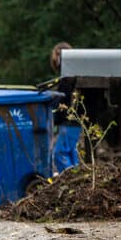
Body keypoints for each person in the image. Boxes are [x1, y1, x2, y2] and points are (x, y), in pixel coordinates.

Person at [50, 41, 82, 173]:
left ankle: (73, 181)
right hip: (75, 121)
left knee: (59, 154)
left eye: (58, 55)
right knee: (71, 153)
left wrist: (54, 118)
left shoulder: (68, 78)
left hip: (69, 122)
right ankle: (78, 181)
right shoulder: (71, 76)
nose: (57, 59)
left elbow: (63, 101)